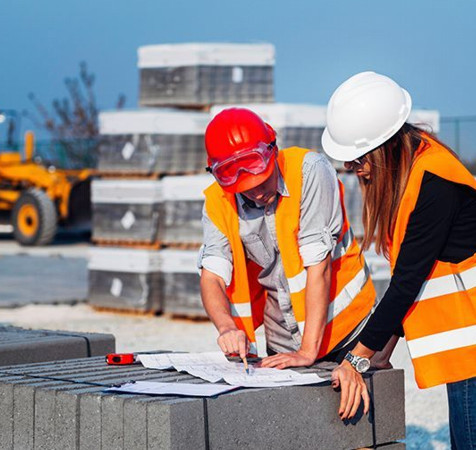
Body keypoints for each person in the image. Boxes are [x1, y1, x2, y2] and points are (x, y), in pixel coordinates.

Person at [321, 71, 476, 447]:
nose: (350, 169)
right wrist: (380, 352)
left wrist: (358, 358)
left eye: (355, 159)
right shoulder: (416, 175)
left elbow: (407, 282)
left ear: (381, 147)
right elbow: (414, 278)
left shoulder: (435, 184)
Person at [199, 107, 377, 372]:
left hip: (345, 330)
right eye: (246, 190)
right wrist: (227, 328)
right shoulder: (218, 201)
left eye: (262, 181)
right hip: (282, 340)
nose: (257, 194)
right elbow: (211, 276)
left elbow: (319, 267)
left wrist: (307, 352)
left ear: (273, 149)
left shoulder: (310, 172)